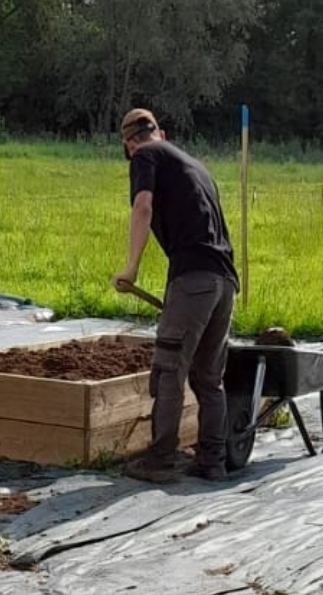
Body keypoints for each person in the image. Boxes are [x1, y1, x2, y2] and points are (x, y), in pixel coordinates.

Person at [112, 108, 239, 484]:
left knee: (169, 370)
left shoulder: (145, 156)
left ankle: (162, 459)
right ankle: (212, 460)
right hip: (224, 281)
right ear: (160, 132)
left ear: (129, 143)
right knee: (209, 377)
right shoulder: (195, 165)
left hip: (193, 279)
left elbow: (142, 207)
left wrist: (131, 267)